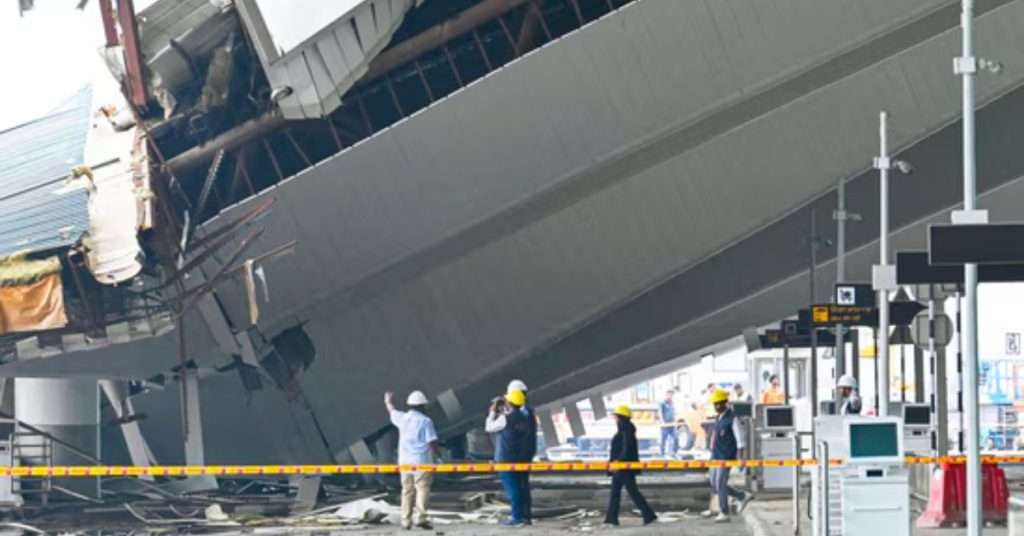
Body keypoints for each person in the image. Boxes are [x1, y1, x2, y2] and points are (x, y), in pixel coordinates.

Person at [385, 390, 442, 530]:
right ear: (422, 406)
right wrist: (438, 456)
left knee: (407, 490)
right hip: (421, 461)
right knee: (422, 488)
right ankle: (420, 518)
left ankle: (406, 520)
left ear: (410, 405)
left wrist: (388, 401)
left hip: (404, 462)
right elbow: (431, 442)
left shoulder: (402, 418)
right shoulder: (426, 421)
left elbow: (392, 411)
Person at [702, 389, 753, 523]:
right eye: (715, 404)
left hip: (726, 457)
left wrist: (741, 458)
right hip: (715, 456)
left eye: (719, 403)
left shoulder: (733, 418)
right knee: (714, 484)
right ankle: (742, 495)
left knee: (720, 483)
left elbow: (740, 441)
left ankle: (724, 512)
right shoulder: (719, 418)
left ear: (725, 403)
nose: (717, 406)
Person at [603, 405, 658, 527]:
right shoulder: (626, 430)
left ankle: (613, 519)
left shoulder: (625, 431)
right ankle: (648, 515)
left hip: (623, 468)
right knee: (626, 492)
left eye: (616, 417)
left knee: (621, 493)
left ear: (621, 417)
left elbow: (625, 449)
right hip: (623, 467)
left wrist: (618, 462)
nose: (615, 419)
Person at [485, 389, 533, 527]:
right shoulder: (524, 418)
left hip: (505, 459)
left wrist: (492, 412)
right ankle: (525, 517)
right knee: (521, 487)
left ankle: (516, 518)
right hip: (520, 457)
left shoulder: (505, 419)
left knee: (513, 490)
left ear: (510, 402)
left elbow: (489, 427)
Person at [658, 390, 678, 458]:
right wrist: (662, 421)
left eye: (672, 395)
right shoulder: (662, 403)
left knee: (675, 438)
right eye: (669, 395)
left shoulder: (672, 403)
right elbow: (660, 413)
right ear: (666, 395)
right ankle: (662, 453)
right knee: (663, 439)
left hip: (672, 425)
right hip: (665, 425)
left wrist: (675, 420)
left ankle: (673, 452)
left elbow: (674, 412)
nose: (671, 397)